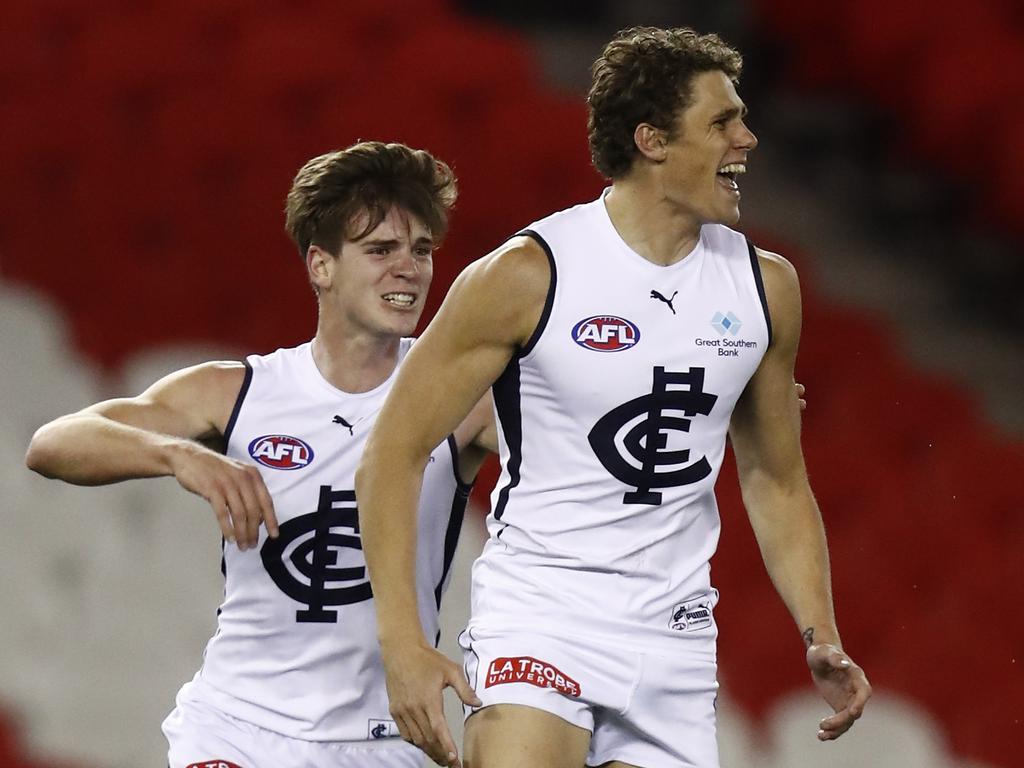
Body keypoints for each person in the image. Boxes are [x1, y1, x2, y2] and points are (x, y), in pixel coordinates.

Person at [356, 27, 871, 768]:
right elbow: (391, 455)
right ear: (652, 140)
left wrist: (819, 634)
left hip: (675, 639)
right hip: (543, 614)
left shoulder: (767, 287)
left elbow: (775, 477)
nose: (748, 139)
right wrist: (403, 643)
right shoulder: (527, 275)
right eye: (722, 121)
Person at [25, 141, 497, 768]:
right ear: (320, 266)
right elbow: (53, 443)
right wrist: (178, 456)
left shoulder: (464, 399)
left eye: (420, 250)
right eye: (380, 250)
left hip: (382, 740)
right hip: (235, 726)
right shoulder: (238, 391)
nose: (407, 269)